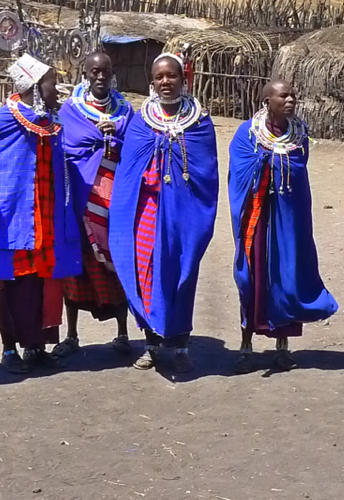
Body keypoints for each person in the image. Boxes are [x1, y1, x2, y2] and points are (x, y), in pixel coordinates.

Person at [110, 52, 219, 374]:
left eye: (171, 75)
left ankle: (181, 345)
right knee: (147, 272)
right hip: (148, 211)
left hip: (185, 213)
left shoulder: (199, 123)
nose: (165, 82)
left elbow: (206, 172)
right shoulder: (141, 121)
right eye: (159, 77)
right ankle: (152, 344)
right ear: (152, 82)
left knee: (182, 272)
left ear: (183, 79)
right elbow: (128, 171)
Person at [0, 54, 84, 374]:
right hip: (12, 216)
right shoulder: (4, 120)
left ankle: (36, 346)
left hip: (46, 216)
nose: (57, 90)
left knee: (43, 281)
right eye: (52, 83)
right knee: (12, 281)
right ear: (35, 87)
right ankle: (9, 349)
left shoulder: (48, 121)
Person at [227, 79, 338, 373]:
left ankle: (283, 346)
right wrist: (263, 163)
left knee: (287, 275)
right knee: (252, 278)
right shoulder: (247, 133)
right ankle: (246, 345)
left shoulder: (299, 134)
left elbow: (298, 172)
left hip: (288, 216)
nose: (290, 100)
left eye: (293, 95)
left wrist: (276, 164)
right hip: (257, 217)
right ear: (267, 102)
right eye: (283, 96)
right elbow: (239, 171)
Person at [56, 51, 134, 356]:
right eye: (95, 72)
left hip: (115, 200)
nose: (101, 77)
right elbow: (67, 147)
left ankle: (123, 333)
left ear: (113, 74)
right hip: (81, 198)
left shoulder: (125, 111)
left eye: (106, 71)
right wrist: (95, 141)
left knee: (117, 264)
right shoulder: (71, 110)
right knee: (77, 268)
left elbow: (136, 148)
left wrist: (117, 138)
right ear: (85, 74)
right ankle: (72, 335)